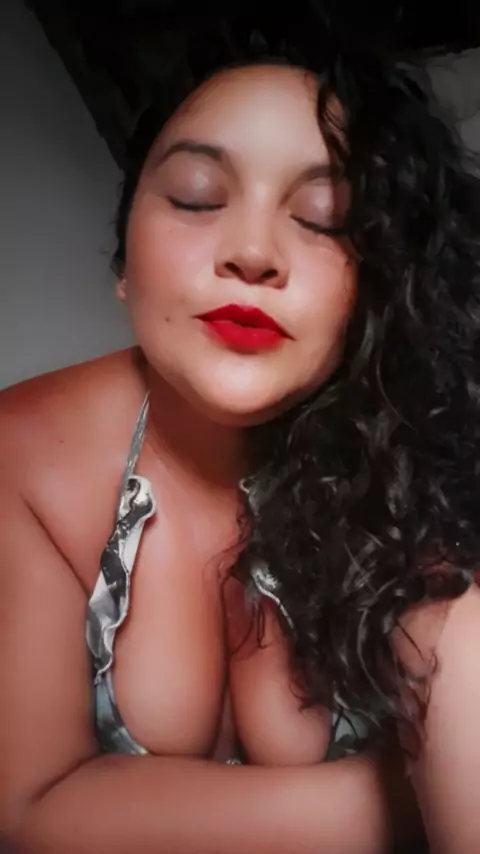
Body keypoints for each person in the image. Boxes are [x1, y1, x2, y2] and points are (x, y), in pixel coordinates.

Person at [2, 9, 480, 854]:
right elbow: (31, 810)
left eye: (324, 217)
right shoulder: (21, 458)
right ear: (124, 261)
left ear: (374, 286)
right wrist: (402, 801)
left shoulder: (416, 452)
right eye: (197, 196)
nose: (253, 251)